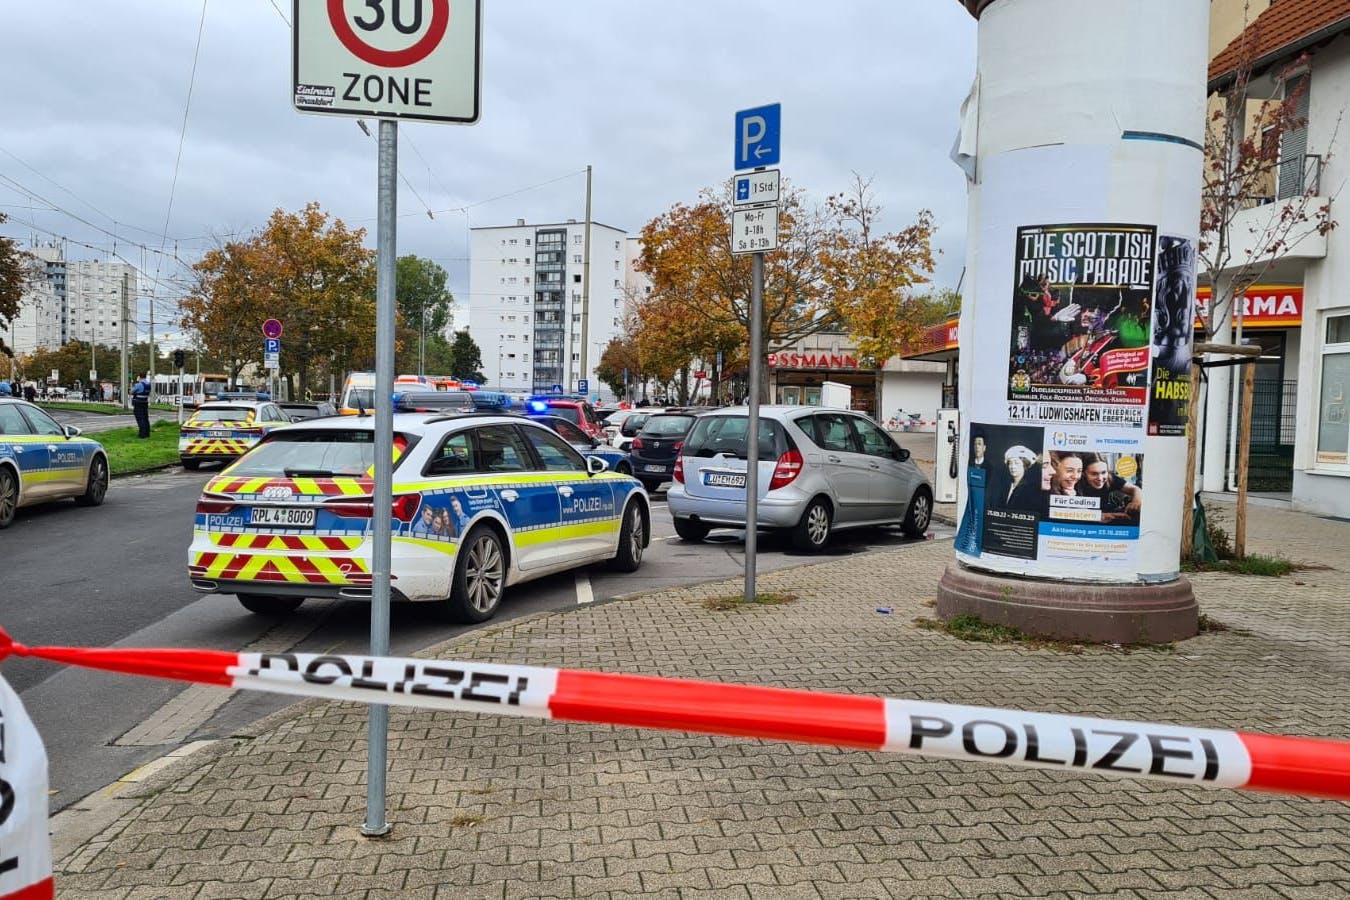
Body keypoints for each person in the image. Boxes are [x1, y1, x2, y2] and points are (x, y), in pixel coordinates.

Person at [1079, 455, 1143, 524]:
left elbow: (1135, 489)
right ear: (1083, 473)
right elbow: (1072, 512)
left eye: (1103, 472)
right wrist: (1098, 516)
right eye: (1094, 474)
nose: (1100, 478)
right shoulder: (1075, 483)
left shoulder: (1110, 478)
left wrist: (1136, 501)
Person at [954, 429, 988, 556]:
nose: (977, 447)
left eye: (979, 444)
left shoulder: (989, 466)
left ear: (984, 447)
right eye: (975, 444)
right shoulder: (968, 464)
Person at [999, 445, 1043, 512]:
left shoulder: (1031, 489)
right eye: (1010, 463)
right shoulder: (1005, 486)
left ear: (1024, 465)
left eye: (1016, 463)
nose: (1012, 467)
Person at [131, 372, 151, 438]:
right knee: (145, 418)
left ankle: (142, 434)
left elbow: (132, 392)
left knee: (140, 418)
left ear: (139, 377)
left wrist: (136, 383)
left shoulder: (139, 384)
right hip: (145, 402)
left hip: (138, 403)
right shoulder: (148, 384)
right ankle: (147, 433)